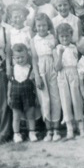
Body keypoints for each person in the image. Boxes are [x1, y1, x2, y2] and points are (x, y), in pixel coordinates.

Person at [30, 13, 62, 142]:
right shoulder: (33, 40)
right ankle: (48, 130)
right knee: (45, 100)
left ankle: (56, 129)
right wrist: (37, 75)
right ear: (35, 27)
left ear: (48, 25)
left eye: (44, 25)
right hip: (41, 70)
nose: (41, 28)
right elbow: (34, 58)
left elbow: (56, 55)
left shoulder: (53, 38)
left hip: (53, 69)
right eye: (39, 26)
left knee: (55, 98)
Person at [54, 22, 84, 140]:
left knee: (77, 100)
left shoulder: (74, 48)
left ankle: (81, 127)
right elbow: (57, 68)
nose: (64, 39)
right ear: (58, 37)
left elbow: (79, 63)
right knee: (65, 101)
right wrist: (60, 54)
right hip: (62, 75)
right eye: (62, 36)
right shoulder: (57, 49)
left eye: (67, 36)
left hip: (74, 74)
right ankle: (69, 129)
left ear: (71, 35)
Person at [7, 43, 38, 143]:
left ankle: (32, 132)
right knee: (16, 115)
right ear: (13, 58)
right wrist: (8, 96)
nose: (20, 60)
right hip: (15, 95)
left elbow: (34, 84)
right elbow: (10, 83)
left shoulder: (30, 68)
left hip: (28, 94)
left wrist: (36, 96)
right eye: (17, 58)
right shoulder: (13, 69)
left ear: (27, 55)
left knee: (30, 114)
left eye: (22, 57)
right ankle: (17, 134)